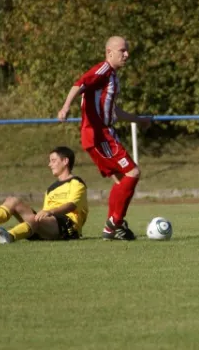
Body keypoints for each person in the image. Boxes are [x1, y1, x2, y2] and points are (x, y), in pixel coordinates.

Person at [57, 36, 151, 241]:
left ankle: (114, 226)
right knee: (133, 172)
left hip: (104, 133)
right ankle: (115, 223)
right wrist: (65, 107)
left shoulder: (112, 77)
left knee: (120, 181)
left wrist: (138, 119)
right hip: (99, 134)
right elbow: (79, 84)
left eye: (127, 51)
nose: (126, 54)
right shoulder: (103, 70)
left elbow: (113, 109)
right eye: (122, 51)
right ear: (109, 52)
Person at [0, 146, 88, 244]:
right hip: (47, 225)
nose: (49, 164)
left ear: (65, 161)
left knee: (37, 218)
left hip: (68, 227)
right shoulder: (51, 189)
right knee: (12, 200)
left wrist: (50, 211)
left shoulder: (77, 183)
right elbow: (44, 213)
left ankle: (10, 236)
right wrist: (46, 213)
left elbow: (71, 205)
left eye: (53, 160)